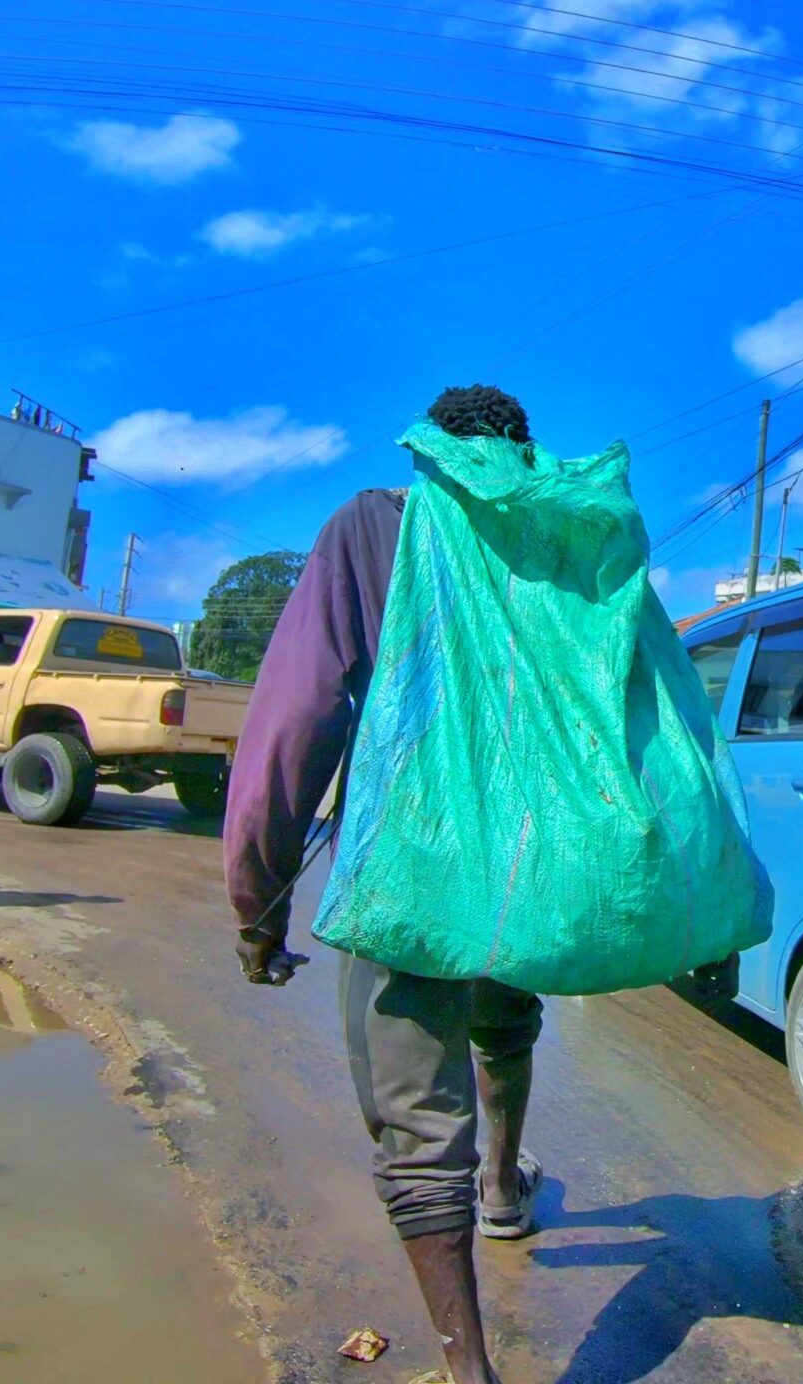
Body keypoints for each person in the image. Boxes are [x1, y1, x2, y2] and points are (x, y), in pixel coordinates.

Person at [223, 385, 542, 1384]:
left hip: (406, 856)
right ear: (519, 460)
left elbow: (300, 714)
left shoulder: (375, 525)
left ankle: (468, 1370)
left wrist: (257, 899)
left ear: (428, 455)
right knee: (504, 1015)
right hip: (529, 858)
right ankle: (501, 1184)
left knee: (415, 1122)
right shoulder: (560, 544)